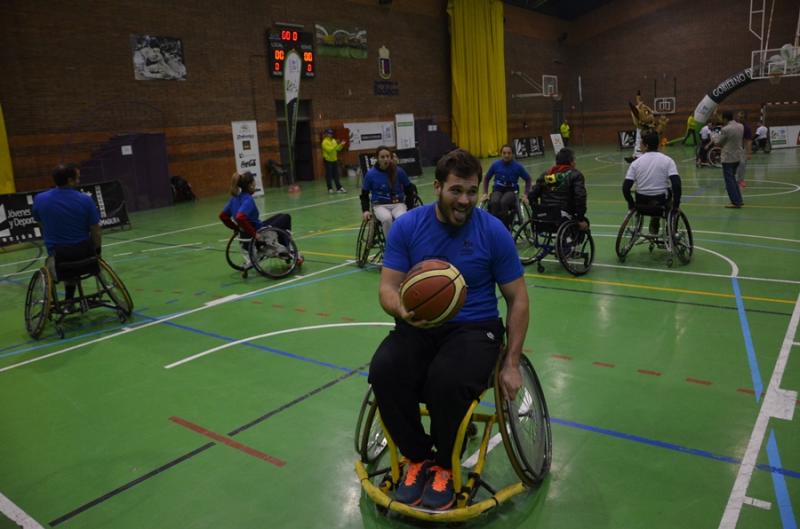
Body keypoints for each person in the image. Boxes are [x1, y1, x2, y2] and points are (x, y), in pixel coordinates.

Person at [368, 149, 529, 511]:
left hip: (475, 328)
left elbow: (518, 299)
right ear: (437, 187)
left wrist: (512, 363)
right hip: (419, 323)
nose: (465, 200)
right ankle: (418, 458)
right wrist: (403, 310)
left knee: (446, 379)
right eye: (456, 191)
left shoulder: (493, 231)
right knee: (384, 370)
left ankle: (443, 465)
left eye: (472, 191)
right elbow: (387, 288)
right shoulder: (409, 226)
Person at [32, 164, 102, 303]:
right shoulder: (85, 200)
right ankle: (71, 299)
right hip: (85, 256)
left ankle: (68, 301)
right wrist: (97, 251)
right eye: (77, 178)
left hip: (59, 259)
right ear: (70, 180)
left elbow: (40, 223)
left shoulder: (40, 199)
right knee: (78, 260)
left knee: (65, 266)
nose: (79, 181)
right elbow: (95, 230)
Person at [219, 171, 301, 276]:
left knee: (281, 216)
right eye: (254, 184)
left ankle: (285, 248)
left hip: (246, 236)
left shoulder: (234, 199)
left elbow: (223, 216)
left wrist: (236, 228)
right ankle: (287, 249)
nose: (255, 186)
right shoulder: (248, 200)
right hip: (258, 233)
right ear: (249, 186)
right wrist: (255, 234)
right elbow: (240, 217)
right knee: (286, 217)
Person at [622, 131, 682, 235]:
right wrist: (676, 205)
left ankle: (654, 223)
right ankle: (671, 230)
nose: (640, 145)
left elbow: (625, 188)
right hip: (661, 201)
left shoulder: (635, 163)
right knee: (670, 199)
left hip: (641, 203)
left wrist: (631, 205)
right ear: (658, 144)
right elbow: (676, 184)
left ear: (646, 146)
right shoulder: (668, 161)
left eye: (641, 143)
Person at [528, 148, 588, 231]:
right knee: (585, 224)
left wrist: (536, 210)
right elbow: (580, 197)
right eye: (574, 160)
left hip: (544, 215)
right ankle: (572, 242)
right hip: (563, 216)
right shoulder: (575, 175)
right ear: (571, 162)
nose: (575, 163)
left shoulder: (548, 174)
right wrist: (580, 218)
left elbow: (532, 195)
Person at [360, 146, 415, 237]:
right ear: (377, 159)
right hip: (380, 205)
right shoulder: (370, 174)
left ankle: (403, 243)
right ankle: (390, 244)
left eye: (387, 156)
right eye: (382, 157)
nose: (386, 159)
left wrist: (410, 208)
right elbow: (364, 194)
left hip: (398, 204)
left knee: (402, 219)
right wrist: (365, 210)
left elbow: (409, 190)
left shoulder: (399, 172)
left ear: (391, 157)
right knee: (386, 218)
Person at [480, 144, 531, 230]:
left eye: (509, 153)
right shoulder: (495, 165)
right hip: (497, 190)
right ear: (501, 154)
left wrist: (526, 194)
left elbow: (528, 179)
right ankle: (494, 226)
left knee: (504, 202)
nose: (506, 155)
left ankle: (505, 227)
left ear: (512, 154)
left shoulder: (517, 166)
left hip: (511, 191)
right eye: (504, 153)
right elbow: (486, 178)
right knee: (494, 202)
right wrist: (485, 193)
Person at [713, 111, 744, 208]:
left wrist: (714, 135)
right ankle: (739, 199)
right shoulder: (740, 126)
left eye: (722, 118)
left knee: (729, 181)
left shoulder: (726, 129)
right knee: (733, 179)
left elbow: (717, 142)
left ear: (725, 119)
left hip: (728, 158)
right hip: (738, 157)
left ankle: (735, 202)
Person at [321, 128, 347, 194]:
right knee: (329, 175)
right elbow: (329, 150)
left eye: (331, 133)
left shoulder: (334, 141)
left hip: (334, 160)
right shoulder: (324, 142)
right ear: (326, 134)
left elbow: (337, 149)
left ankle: (339, 188)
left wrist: (341, 145)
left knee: (336, 175)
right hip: (327, 160)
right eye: (329, 133)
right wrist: (336, 145)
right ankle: (330, 188)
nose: (330, 134)